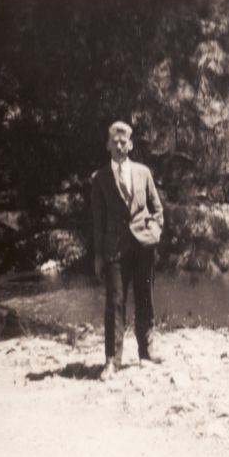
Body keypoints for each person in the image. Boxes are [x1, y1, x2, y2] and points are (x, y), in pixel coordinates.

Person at [91, 121, 164, 381]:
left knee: (145, 298)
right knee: (115, 302)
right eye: (115, 141)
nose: (120, 146)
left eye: (124, 142)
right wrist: (98, 255)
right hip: (114, 250)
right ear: (108, 145)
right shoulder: (99, 179)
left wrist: (155, 232)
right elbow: (98, 221)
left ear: (131, 145)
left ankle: (146, 352)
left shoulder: (143, 172)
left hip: (143, 246)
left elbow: (157, 208)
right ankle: (112, 360)